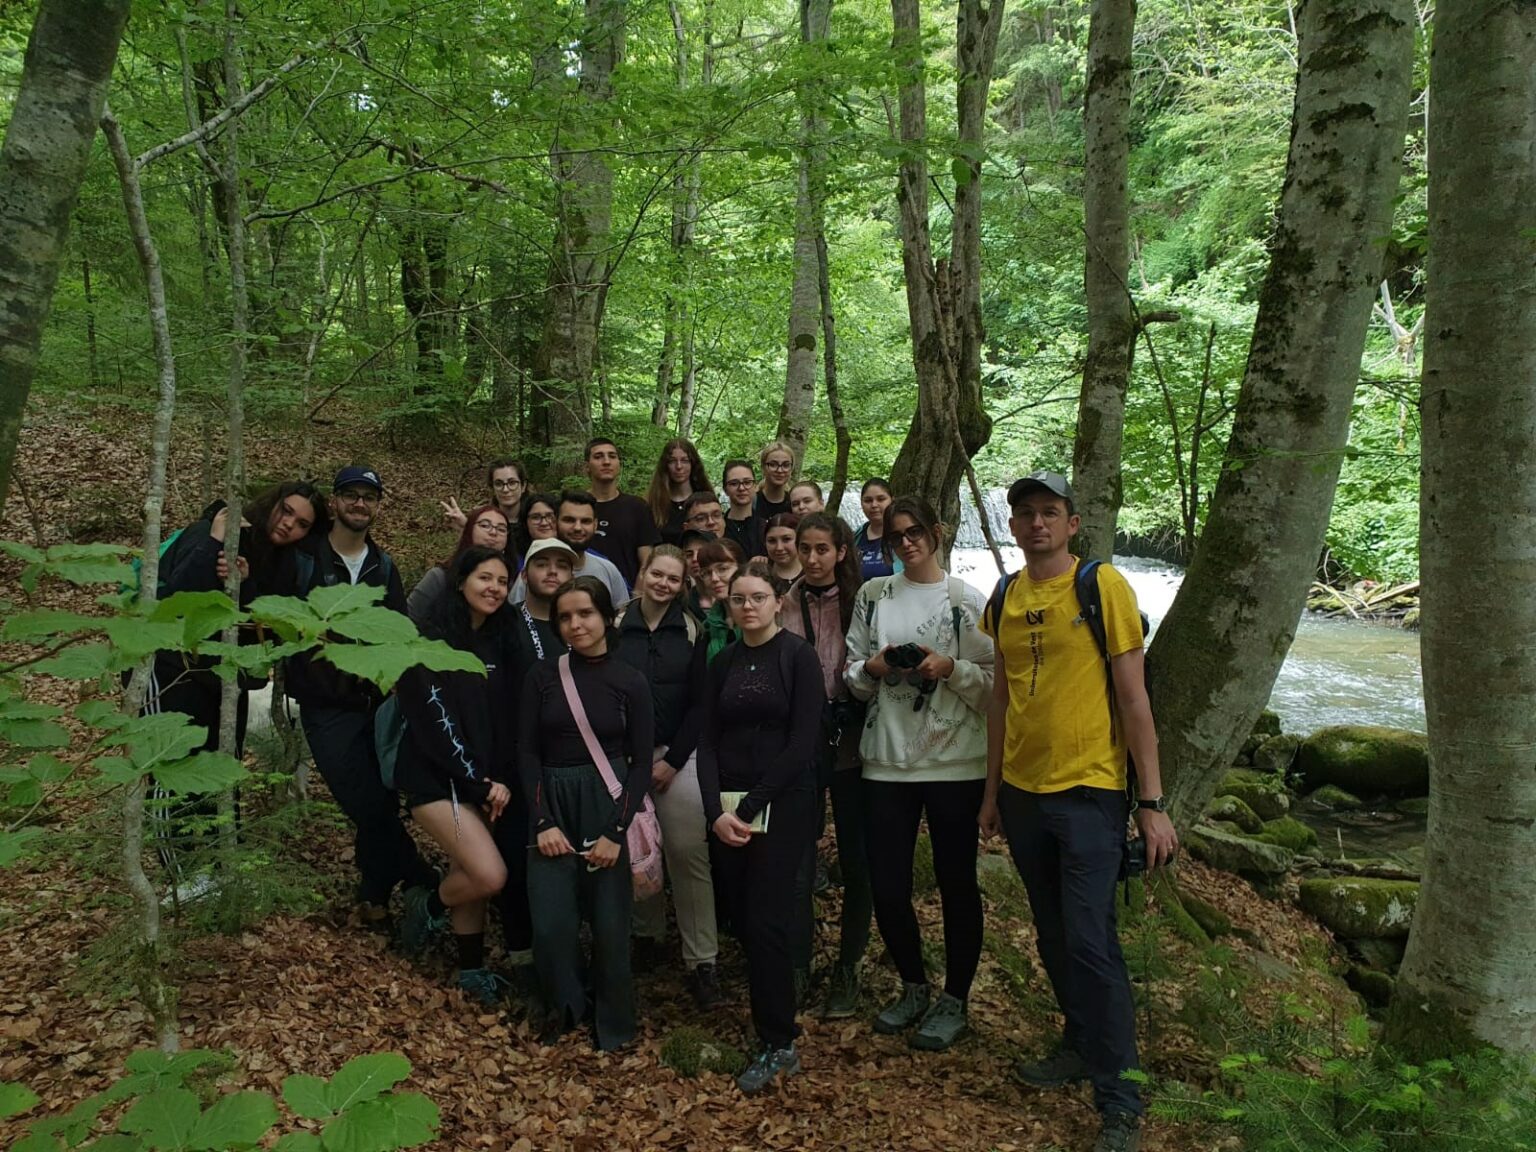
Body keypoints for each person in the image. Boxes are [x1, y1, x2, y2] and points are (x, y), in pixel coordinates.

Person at [978, 472, 1177, 1152]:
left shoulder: (1104, 586)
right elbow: (1000, 700)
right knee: (1053, 932)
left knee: (1092, 941)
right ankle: (1077, 1042)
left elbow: (1134, 699)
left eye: (1049, 513)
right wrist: (990, 795)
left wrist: (1149, 803)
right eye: (1026, 514)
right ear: (1012, 528)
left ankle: (1120, 1096)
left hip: (1089, 792)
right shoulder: (1004, 595)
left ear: (1071, 523)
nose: (1037, 524)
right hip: (1022, 794)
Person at [845, 495, 994, 1052]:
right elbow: (852, 676)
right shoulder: (873, 595)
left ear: (936, 533)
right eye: (895, 536)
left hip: (955, 761)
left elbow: (992, 683)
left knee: (957, 883)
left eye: (915, 533)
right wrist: (875, 668)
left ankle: (955, 998)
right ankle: (912, 984)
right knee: (888, 883)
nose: (906, 543)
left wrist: (950, 667)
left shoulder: (964, 600)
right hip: (885, 759)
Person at [148, 480, 327, 891]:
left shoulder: (285, 563)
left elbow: (261, 632)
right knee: (175, 768)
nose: (288, 526)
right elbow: (176, 597)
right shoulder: (216, 527)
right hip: (173, 667)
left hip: (226, 678)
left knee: (221, 766)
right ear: (272, 503)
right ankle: (185, 873)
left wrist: (245, 584)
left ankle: (220, 865)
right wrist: (214, 543)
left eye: (301, 524)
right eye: (286, 512)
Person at [284, 466, 438, 927]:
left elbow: (395, 629)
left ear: (377, 505)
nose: (359, 504)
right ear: (333, 502)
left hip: (373, 700)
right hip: (324, 701)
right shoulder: (305, 558)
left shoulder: (382, 566)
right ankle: (418, 873)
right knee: (363, 801)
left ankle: (373, 893)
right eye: (350, 495)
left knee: (380, 799)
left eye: (368, 497)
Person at [698, 562, 824, 1093]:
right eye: (737, 599)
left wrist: (749, 808)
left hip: (782, 804)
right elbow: (705, 740)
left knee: (768, 918)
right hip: (727, 808)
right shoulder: (723, 661)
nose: (747, 607)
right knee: (742, 919)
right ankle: (767, 1016)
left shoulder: (797, 657)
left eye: (757, 597)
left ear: (777, 602)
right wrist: (714, 811)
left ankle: (779, 1040)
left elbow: (803, 743)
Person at [521, 576, 654, 1051]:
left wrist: (616, 830)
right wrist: (543, 821)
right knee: (552, 922)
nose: (575, 624)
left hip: (608, 799)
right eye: (564, 617)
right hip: (552, 798)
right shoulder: (541, 677)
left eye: (585, 614)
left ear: (605, 617)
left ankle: (614, 1026)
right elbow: (527, 753)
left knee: (611, 923)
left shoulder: (630, 681)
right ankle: (565, 1008)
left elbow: (641, 764)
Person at [395, 547, 515, 1007]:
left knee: (470, 870)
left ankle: (471, 970)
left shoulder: (499, 642)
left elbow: (499, 723)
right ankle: (426, 906)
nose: (494, 588)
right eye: (485, 578)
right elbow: (434, 724)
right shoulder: (430, 643)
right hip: (434, 779)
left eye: (503, 581)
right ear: (460, 582)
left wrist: (496, 780)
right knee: (489, 875)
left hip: (483, 783)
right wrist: (479, 785)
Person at [613, 546, 722, 1009]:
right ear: (642, 574)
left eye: (673, 579)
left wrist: (673, 760)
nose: (663, 584)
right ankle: (646, 937)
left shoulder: (693, 628)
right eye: (656, 574)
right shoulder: (617, 624)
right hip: (622, 758)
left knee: (685, 850)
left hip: (679, 755)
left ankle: (703, 960)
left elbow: (702, 702)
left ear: (683, 585)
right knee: (637, 847)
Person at [780, 513, 872, 1019]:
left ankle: (849, 967)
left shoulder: (864, 599)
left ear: (840, 551)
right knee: (798, 858)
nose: (813, 559)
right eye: (805, 548)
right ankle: (797, 963)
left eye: (822, 549)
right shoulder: (785, 601)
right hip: (802, 742)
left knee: (858, 860)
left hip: (855, 743)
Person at [512, 491, 627, 608]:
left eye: (585, 521)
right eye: (569, 520)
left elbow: (622, 615)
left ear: (595, 525)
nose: (577, 527)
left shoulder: (608, 570)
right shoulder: (533, 576)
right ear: (555, 521)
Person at [408, 504, 510, 624]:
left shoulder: (508, 581)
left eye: (501, 529)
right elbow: (404, 623)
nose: (493, 532)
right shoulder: (439, 578)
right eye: (485, 525)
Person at [586, 437, 661, 587]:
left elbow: (646, 560)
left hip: (626, 594)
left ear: (619, 464)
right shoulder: (577, 507)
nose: (606, 462)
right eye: (598, 456)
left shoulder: (637, 507)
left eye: (612, 456)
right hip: (580, 595)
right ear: (586, 466)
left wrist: (635, 598)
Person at [442, 457, 530, 554]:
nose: (505, 489)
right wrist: (468, 528)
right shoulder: (480, 519)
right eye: (498, 483)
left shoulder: (534, 521)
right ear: (492, 488)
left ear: (523, 486)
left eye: (512, 483)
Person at [647, 438, 711, 546]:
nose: (679, 466)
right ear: (665, 466)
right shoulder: (653, 504)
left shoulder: (705, 501)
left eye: (685, 461)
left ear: (693, 464)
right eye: (672, 461)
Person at [694, 537, 746, 664]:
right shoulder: (707, 629)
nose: (714, 578)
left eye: (722, 569)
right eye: (706, 573)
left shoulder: (762, 620)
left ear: (742, 568)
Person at [721, 460, 765, 561]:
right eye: (734, 483)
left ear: (754, 486)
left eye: (747, 482)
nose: (741, 488)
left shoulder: (765, 528)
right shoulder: (719, 528)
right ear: (725, 489)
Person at [854, 478, 896, 581]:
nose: (874, 505)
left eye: (881, 499)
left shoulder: (903, 535)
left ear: (892, 500)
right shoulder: (855, 537)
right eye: (868, 500)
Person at [754, 441, 795, 518]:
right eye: (773, 464)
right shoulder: (750, 503)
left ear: (791, 469)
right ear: (763, 467)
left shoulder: (795, 505)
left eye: (786, 465)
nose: (779, 470)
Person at [763, 513, 802, 591]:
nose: (779, 548)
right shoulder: (760, 573)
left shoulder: (814, 570)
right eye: (772, 541)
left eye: (786, 539)